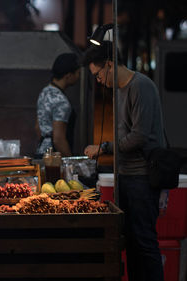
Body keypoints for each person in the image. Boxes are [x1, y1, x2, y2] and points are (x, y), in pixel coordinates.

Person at [82, 41, 165, 281]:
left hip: (142, 176)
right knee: (130, 243)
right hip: (125, 175)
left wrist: (104, 148)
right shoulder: (119, 91)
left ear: (109, 65)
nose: (98, 81)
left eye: (97, 75)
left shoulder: (141, 86)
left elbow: (139, 136)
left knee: (145, 242)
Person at [35, 53, 80, 157]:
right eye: (78, 73)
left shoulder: (44, 92)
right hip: (54, 158)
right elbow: (58, 139)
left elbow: (38, 127)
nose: (79, 77)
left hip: (41, 152)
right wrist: (71, 163)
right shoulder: (61, 101)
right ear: (68, 76)